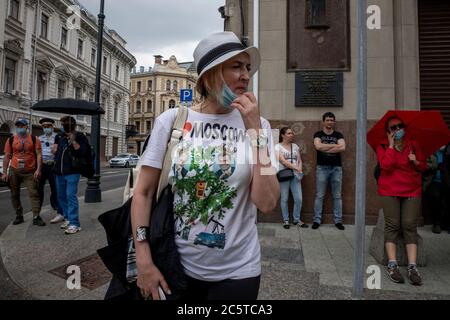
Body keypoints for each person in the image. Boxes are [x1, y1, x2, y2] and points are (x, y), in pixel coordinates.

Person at [131, 31, 279, 300]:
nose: (246, 74)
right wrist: (143, 259)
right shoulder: (172, 121)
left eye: (247, 67)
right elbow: (143, 193)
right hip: (174, 266)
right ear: (209, 75)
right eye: (236, 66)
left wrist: (256, 132)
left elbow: (267, 203)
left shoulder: (261, 126)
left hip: (240, 271)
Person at [377, 116, 427, 286]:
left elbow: (423, 166)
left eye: (400, 126)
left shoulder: (413, 144)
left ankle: (412, 267)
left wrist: (416, 161)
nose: (397, 129)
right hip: (389, 189)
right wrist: (391, 146)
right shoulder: (382, 146)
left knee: (409, 224)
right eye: (393, 127)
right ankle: (392, 265)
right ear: (388, 131)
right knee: (392, 225)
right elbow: (385, 166)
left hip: (411, 189)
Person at [1, 118, 45, 226]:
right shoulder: (11, 140)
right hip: (14, 170)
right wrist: (5, 173)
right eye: (18, 126)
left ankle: (36, 216)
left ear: (26, 127)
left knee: (33, 193)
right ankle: (19, 215)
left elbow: (39, 155)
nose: (20, 128)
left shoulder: (34, 139)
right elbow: (7, 156)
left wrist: (38, 170)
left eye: (22, 126)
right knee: (14, 194)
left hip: (30, 171)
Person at [52, 116, 90, 234]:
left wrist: (73, 140)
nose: (63, 127)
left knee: (70, 196)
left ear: (73, 125)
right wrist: (54, 149)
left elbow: (83, 152)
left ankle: (75, 223)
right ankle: (68, 218)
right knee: (61, 196)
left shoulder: (80, 136)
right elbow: (55, 152)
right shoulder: (60, 137)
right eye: (62, 124)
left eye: (65, 124)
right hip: (59, 171)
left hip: (73, 171)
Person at [312, 112, 346, 230]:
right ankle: (317, 220)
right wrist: (335, 147)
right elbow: (318, 147)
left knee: (337, 196)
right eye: (327, 120)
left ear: (334, 122)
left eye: (332, 120)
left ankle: (338, 221)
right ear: (323, 121)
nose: (330, 122)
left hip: (336, 168)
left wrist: (324, 147)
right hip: (322, 168)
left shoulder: (338, 134)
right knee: (320, 195)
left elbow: (343, 147)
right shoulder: (318, 134)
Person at [275, 127, 308, 229]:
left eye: (292, 133)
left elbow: (299, 160)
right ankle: (286, 220)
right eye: (289, 133)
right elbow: (282, 161)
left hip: (296, 175)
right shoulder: (277, 147)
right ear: (282, 135)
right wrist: (296, 168)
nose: (291, 135)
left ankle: (296, 219)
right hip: (284, 175)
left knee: (298, 199)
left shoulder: (295, 146)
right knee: (284, 198)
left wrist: (300, 170)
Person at [37, 118, 63, 223]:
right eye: (44, 127)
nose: (46, 128)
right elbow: (38, 152)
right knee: (39, 187)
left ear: (52, 127)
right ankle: (37, 207)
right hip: (43, 165)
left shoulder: (57, 137)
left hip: (53, 165)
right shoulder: (39, 138)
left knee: (55, 188)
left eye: (48, 126)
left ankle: (55, 205)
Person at [423, 145, 450, 234]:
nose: (443, 145)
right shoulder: (431, 152)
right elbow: (424, 165)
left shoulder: (448, 152)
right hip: (433, 181)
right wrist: (435, 166)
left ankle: (447, 224)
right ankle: (437, 223)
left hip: (447, 181)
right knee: (436, 196)